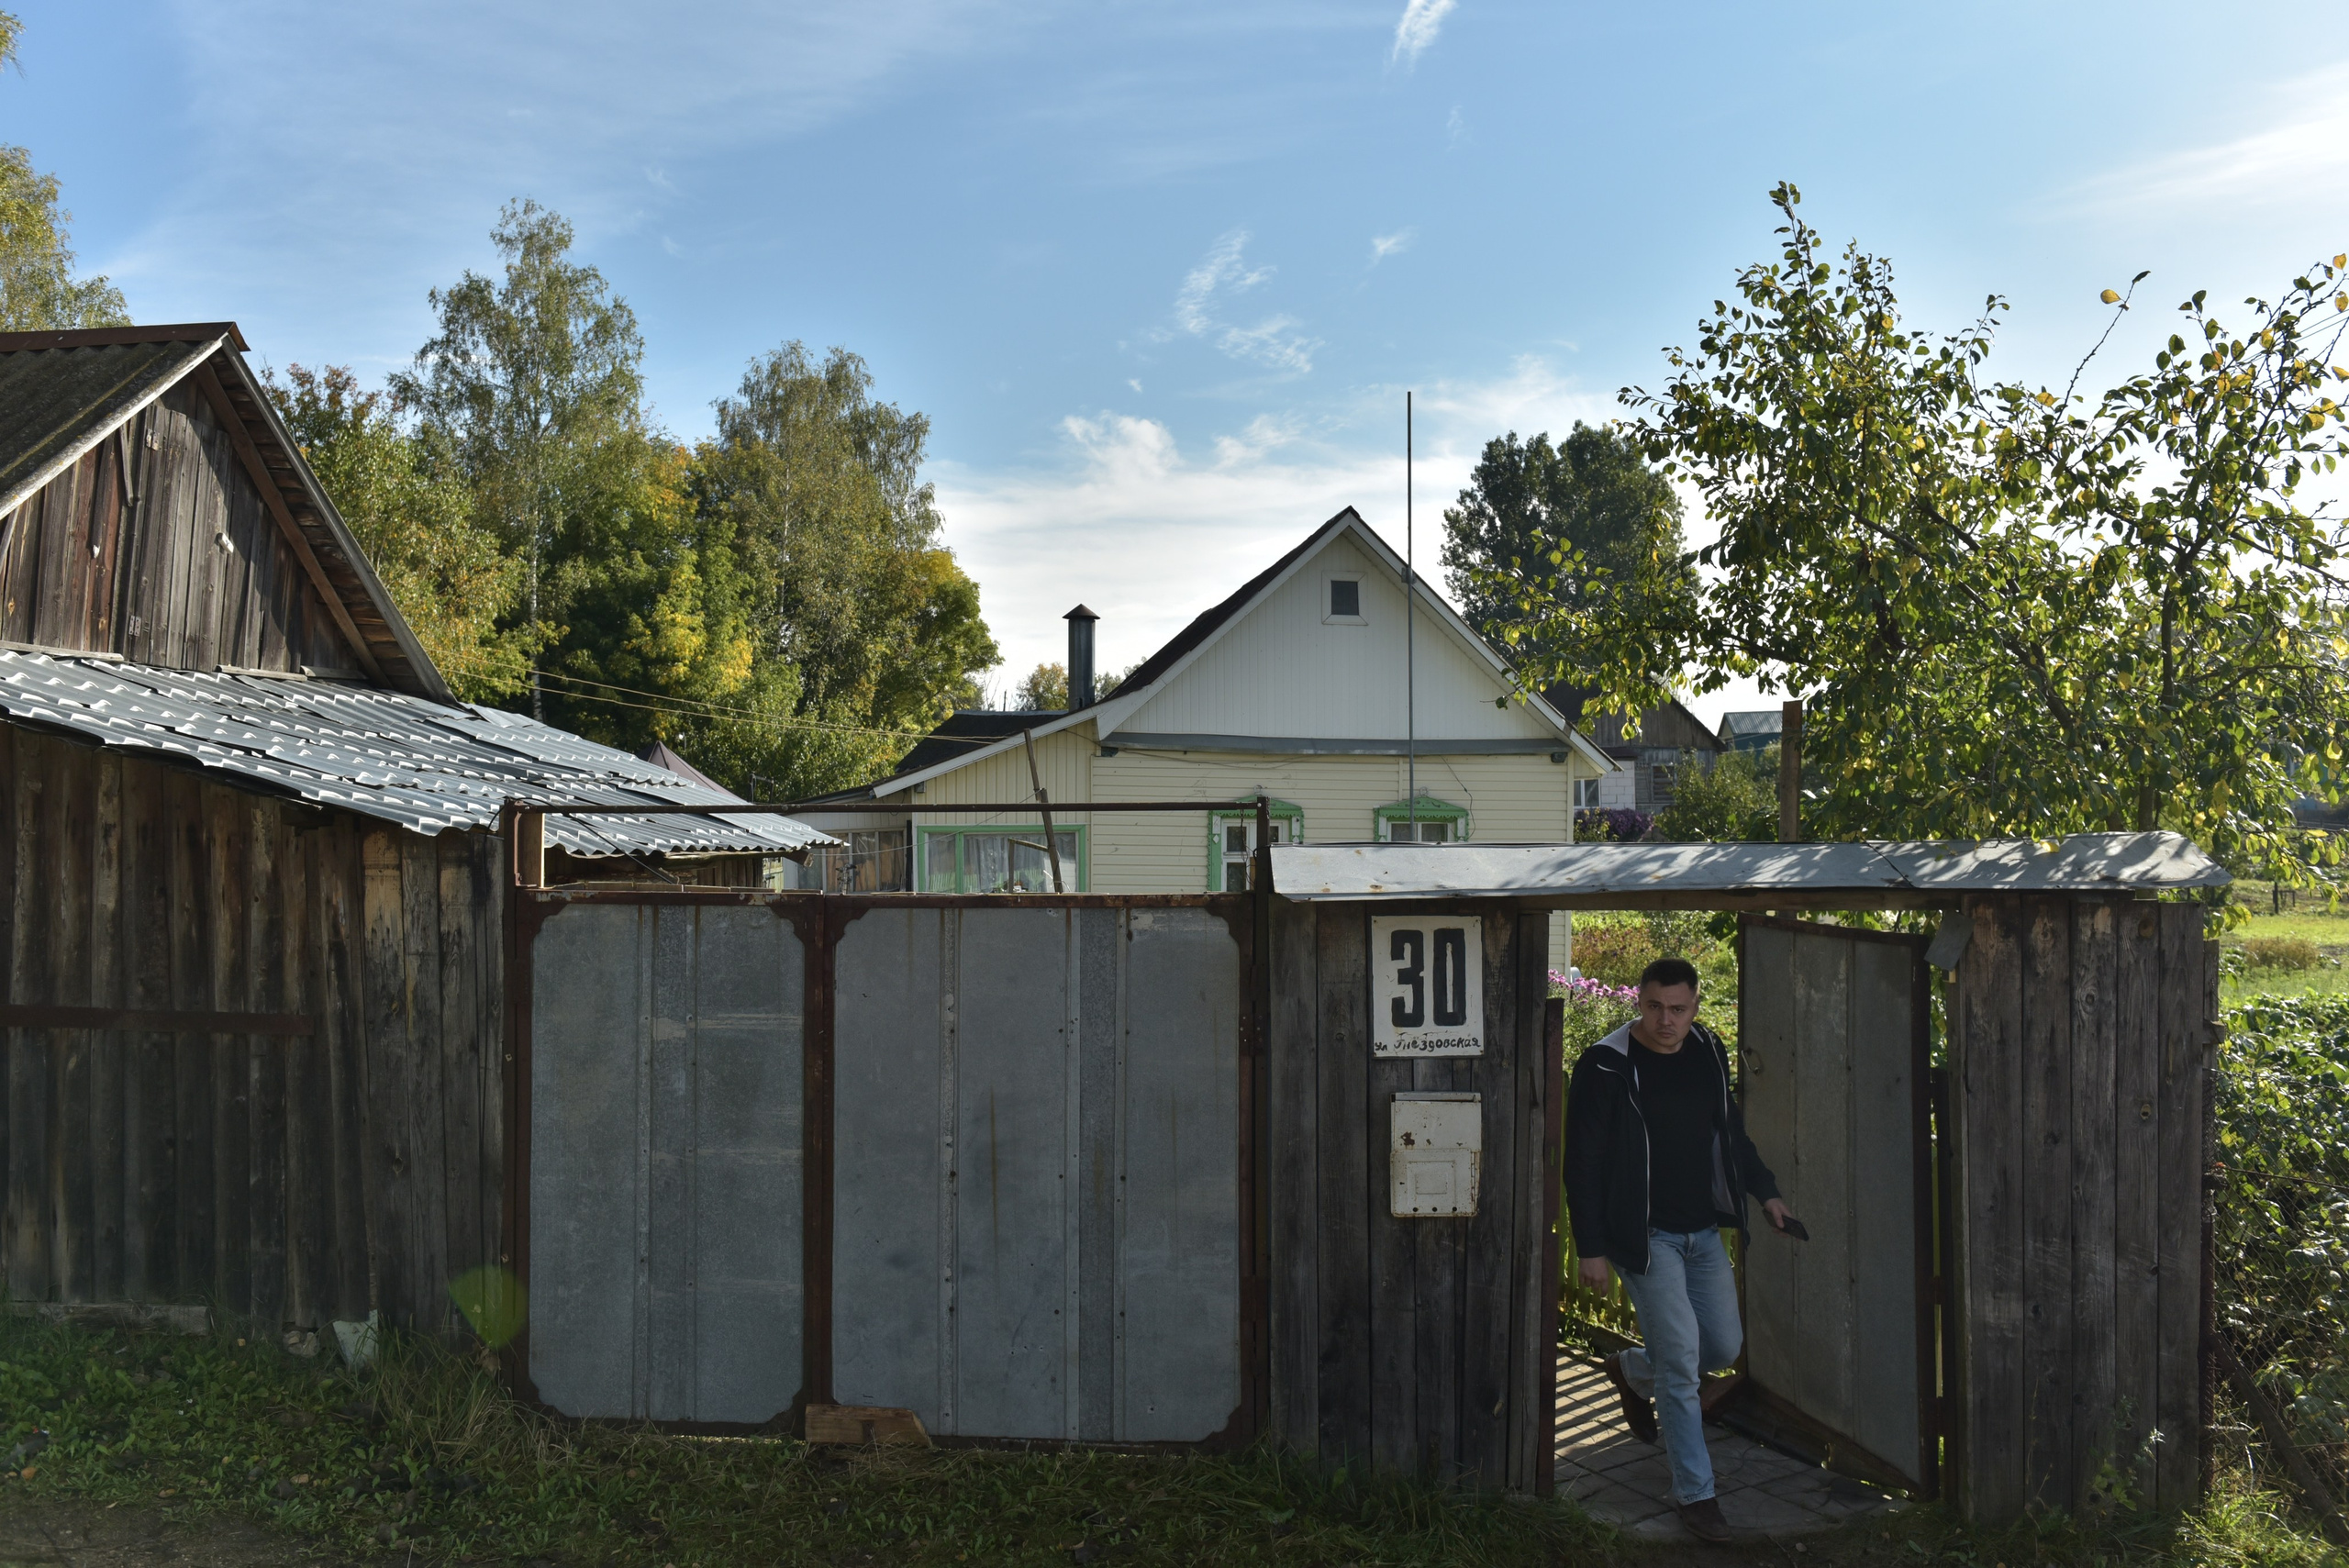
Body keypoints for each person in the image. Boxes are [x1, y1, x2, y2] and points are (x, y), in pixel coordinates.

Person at [1564, 955, 1792, 1545]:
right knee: (1685, 1364)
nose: (1666, 1021)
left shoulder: (1709, 1051)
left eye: (1679, 1009)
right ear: (1639, 1001)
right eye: (1655, 1007)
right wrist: (1591, 1247)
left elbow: (1731, 1133)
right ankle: (1697, 1493)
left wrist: (1765, 1193)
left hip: (1701, 1232)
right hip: (1644, 1239)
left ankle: (1631, 1369)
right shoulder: (1606, 1065)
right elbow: (1582, 1164)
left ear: (1695, 1006)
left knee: (1721, 1345)